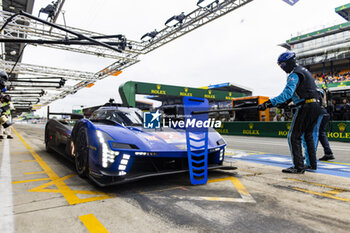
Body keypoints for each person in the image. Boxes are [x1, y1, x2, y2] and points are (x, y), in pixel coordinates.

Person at [258, 51, 322, 174]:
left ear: (288, 62)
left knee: (293, 136)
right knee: (307, 136)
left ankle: (298, 167)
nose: (282, 68)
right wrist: (284, 103)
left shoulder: (294, 74)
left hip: (305, 106)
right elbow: (297, 93)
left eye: (282, 65)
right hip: (315, 106)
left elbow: (287, 93)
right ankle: (311, 164)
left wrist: (268, 103)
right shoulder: (304, 71)